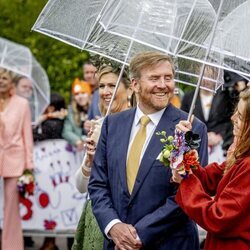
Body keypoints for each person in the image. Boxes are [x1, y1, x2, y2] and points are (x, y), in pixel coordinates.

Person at [88, 51, 208, 250]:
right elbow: (98, 184)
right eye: (154, 78)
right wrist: (114, 226)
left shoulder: (191, 128)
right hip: (117, 244)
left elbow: (187, 194)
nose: (163, 85)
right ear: (134, 84)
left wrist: (138, 235)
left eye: (168, 78)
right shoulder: (112, 125)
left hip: (170, 243)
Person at [172, 87, 250, 250]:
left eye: (241, 117)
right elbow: (210, 178)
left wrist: (186, 181)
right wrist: (184, 146)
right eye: (236, 111)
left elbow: (218, 217)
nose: (232, 117)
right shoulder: (241, 154)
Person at [72, 65, 134, 250]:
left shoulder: (138, 125)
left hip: (125, 217)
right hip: (98, 216)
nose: (106, 92)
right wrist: (90, 161)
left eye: (112, 86)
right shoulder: (99, 125)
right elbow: (82, 187)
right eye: (102, 86)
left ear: (130, 89)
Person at [0, 68, 33, 250]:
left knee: (11, 209)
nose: (1, 81)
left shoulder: (22, 104)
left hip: (15, 160)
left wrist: (29, 165)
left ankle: (10, 247)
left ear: (11, 81)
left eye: (4, 77)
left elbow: (27, 135)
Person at [181, 66, 235, 154]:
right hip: (195, 146)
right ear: (197, 76)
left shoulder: (225, 96)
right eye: (203, 76)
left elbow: (230, 120)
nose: (206, 80)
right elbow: (183, 120)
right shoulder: (189, 97)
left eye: (210, 76)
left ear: (215, 77)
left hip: (220, 147)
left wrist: (220, 136)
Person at [62, 80, 91, 151]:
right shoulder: (71, 112)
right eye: (77, 94)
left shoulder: (96, 108)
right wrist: (77, 140)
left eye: (83, 93)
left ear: (89, 94)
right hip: (81, 150)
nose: (80, 96)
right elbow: (66, 131)